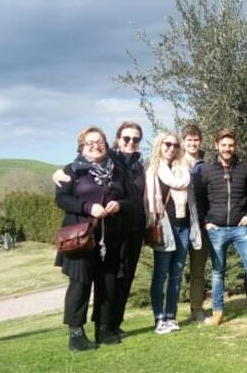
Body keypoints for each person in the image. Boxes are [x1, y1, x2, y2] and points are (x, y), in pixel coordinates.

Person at [52, 121, 144, 338]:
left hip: (111, 237)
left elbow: (132, 199)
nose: (95, 146)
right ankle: (76, 334)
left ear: (106, 144)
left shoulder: (117, 172)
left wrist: (119, 204)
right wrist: (88, 207)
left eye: (99, 142)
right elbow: (61, 198)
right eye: (90, 142)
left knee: (108, 283)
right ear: (81, 147)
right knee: (81, 285)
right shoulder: (72, 171)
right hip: (82, 237)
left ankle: (103, 329)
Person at [195, 129, 247, 328]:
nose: (227, 148)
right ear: (216, 146)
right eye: (224, 145)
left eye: (230, 145)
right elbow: (200, 199)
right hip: (216, 229)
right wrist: (206, 221)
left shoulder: (244, 168)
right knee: (218, 272)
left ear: (234, 146)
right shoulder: (207, 169)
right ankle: (217, 312)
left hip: (240, 228)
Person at [145, 131, 202, 334]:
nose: (171, 148)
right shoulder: (152, 171)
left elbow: (192, 201)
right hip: (165, 226)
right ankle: (159, 318)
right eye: (167, 144)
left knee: (176, 275)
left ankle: (171, 316)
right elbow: (148, 203)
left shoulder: (184, 171)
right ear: (159, 145)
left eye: (175, 145)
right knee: (161, 275)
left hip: (184, 226)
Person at [182, 124, 211, 323]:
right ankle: (167, 316)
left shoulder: (206, 166)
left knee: (198, 271)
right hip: (179, 226)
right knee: (173, 272)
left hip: (201, 226)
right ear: (183, 142)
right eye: (189, 140)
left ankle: (197, 309)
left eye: (196, 140)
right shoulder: (174, 163)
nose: (193, 143)